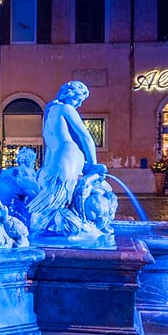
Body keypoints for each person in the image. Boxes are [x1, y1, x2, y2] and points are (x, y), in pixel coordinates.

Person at [28, 80, 106, 235]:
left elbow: (49, 145)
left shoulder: (50, 111)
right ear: (70, 95)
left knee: (55, 193)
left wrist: (46, 166)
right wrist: (93, 164)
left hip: (57, 156)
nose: (79, 104)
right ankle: (66, 226)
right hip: (68, 153)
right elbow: (86, 137)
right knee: (61, 193)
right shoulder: (67, 108)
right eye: (78, 99)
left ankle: (51, 228)